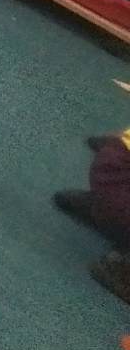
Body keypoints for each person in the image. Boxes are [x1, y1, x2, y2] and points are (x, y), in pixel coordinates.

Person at [57, 130, 130, 304]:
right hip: (119, 180)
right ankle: (120, 269)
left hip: (113, 162)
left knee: (115, 203)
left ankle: (103, 210)